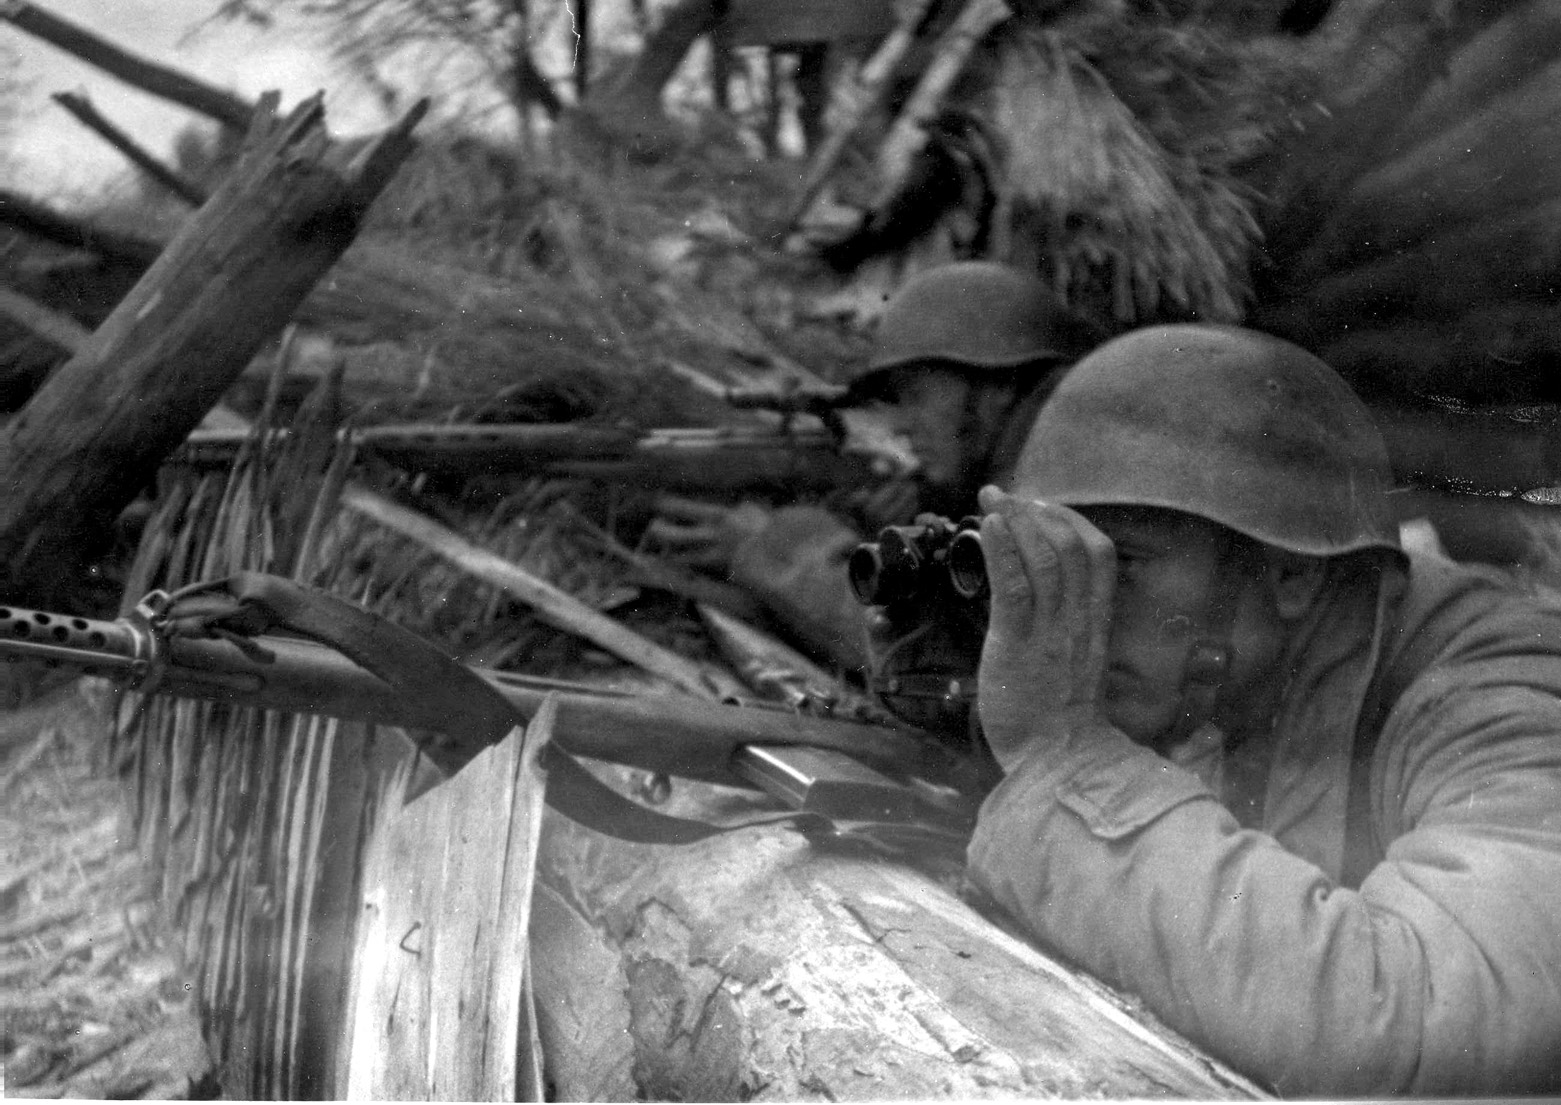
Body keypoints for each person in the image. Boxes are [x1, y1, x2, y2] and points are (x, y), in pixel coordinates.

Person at [965, 324, 1561, 1095]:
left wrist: (1065, 759)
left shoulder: (1501, 694)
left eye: (1128, 563)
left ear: (1289, 576)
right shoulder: (1246, 672)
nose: (1083, 603)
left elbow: (1408, 1021)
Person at [652, 260, 1103, 672]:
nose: (904, 426)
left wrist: (772, 549)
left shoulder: (1061, 485)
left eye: (917, 396)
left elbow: (941, 659)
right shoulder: (1071, 446)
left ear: (999, 386)